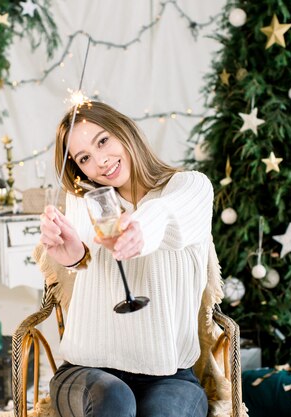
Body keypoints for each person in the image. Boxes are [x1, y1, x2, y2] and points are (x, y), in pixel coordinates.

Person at [39, 101, 214, 417]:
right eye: (84, 158)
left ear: (125, 130)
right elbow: (82, 250)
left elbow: (166, 215)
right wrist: (73, 256)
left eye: (103, 141)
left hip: (171, 375)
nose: (101, 161)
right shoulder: (86, 201)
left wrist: (139, 231)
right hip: (85, 371)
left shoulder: (192, 187)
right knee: (115, 399)